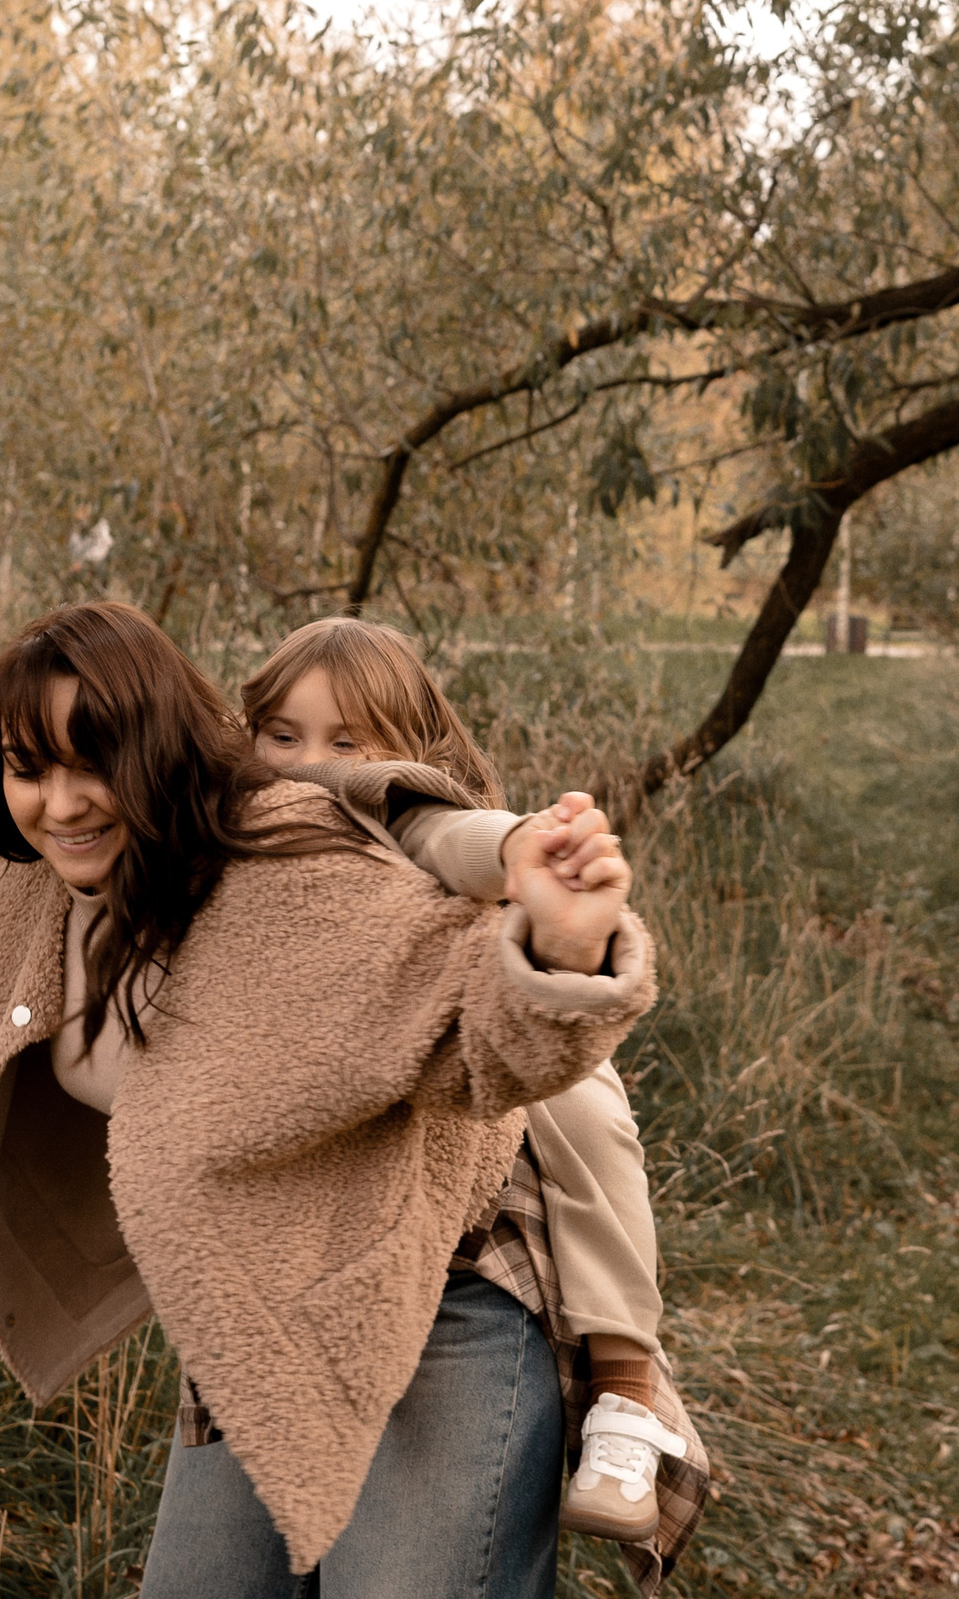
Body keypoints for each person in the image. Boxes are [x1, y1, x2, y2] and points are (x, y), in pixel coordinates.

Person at [0, 602, 654, 1597]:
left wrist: (564, 942)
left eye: (96, 766)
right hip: (266, 1283)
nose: (63, 804)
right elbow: (20, 735)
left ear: (161, 757)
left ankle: (636, 1394)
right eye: (32, 771)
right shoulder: (35, 883)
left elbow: (475, 1035)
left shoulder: (287, 880)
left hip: (446, 1275)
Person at [237, 617, 693, 1544]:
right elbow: (105, 720)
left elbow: (456, 834)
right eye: (283, 736)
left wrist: (522, 844)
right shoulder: (236, 813)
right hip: (320, 1179)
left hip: (475, 1046)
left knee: (591, 1114)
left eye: (346, 741)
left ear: (405, 756)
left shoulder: (399, 813)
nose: (310, 765)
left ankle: (627, 1398)